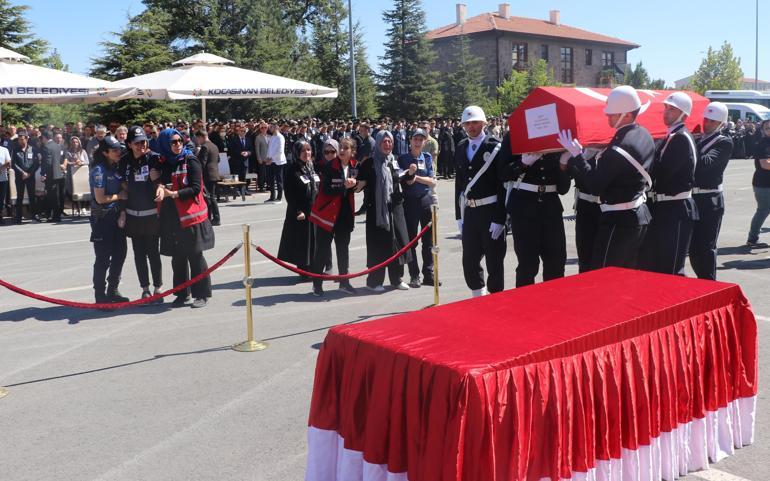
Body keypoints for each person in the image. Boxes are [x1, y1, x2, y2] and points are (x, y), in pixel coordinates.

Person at [558, 85, 656, 270]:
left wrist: (577, 157)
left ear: (626, 115)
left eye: (611, 113)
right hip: (640, 214)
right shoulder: (644, 135)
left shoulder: (619, 148)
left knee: (605, 275)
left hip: (619, 220)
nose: (607, 116)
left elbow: (595, 185)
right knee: (628, 274)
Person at [151, 128, 215, 308]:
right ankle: (181, 293)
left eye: (180, 141)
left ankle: (201, 294)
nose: (178, 145)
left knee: (195, 256)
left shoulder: (191, 160)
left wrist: (175, 193)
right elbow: (162, 182)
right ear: (165, 144)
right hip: (171, 217)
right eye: (173, 142)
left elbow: (196, 188)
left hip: (190, 217)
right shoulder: (164, 162)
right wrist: (158, 186)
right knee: (177, 257)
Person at [638, 92, 698, 276]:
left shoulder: (680, 138)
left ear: (684, 114)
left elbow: (662, 174)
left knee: (672, 266)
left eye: (672, 109)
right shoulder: (670, 137)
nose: (666, 112)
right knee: (658, 263)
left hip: (676, 207)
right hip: (665, 206)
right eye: (666, 108)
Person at [499, 144, 571, 287]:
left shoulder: (558, 138)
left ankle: (553, 307)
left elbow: (563, 189)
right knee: (527, 266)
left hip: (551, 209)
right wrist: (522, 163)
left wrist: (563, 165)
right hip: (523, 209)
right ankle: (525, 307)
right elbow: (503, 173)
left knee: (556, 263)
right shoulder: (514, 135)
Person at [454, 105, 506, 297]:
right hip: (470, 211)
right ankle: (478, 295)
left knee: (494, 259)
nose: (471, 126)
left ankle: (496, 299)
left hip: (491, 210)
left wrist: (501, 218)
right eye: (467, 123)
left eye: (475, 122)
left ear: (484, 123)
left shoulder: (495, 146)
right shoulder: (460, 147)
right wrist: (459, 215)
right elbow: (459, 185)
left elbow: (503, 186)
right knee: (469, 259)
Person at [357, 131, 415, 291]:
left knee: (397, 243)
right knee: (379, 246)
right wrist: (354, 184)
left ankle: (396, 279)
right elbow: (359, 184)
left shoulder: (393, 161)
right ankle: (374, 281)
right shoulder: (369, 163)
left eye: (389, 142)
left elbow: (401, 179)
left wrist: (410, 174)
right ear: (378, 143)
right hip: (377, 211)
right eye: (384, 142)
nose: (387, 145)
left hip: (395, 209)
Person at [309, 138, 359, 296]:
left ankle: (344, 282)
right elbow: (327, 190)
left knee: (343, 250)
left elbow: (359, 185)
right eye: (341, 148)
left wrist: (355, 184)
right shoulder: (330, 166)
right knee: (322, 251)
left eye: (346, 148)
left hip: (344, 214)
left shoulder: (354, 166)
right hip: (327, 214)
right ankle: (317, 284)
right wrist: (345, 185)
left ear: (352, 152)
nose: (342, 151)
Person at [689, 102, 733, 279]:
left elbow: (704, 163)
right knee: (693, 248)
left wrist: (690, 142)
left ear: (721, 124)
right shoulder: (699, 139)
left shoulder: (724, 142)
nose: (707, 123)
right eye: (706, 119)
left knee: (705, 249)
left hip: (710, 200)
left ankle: (709, 284)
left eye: (712, 121)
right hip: (694, 198)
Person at [123, 126, 164, 301]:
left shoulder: (154, 159)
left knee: (153, 253)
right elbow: (121, 183)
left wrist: (160, 185)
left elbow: (163, 181)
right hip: (133, 216)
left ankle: (158, 288)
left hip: (151, 216)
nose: (141, 146)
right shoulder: (124, 161)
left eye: (144, 142)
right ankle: (145, 288)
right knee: (139, 255)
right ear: (129, 144)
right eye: (137, 143)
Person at [89, 136, 129, 304]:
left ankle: (113, 289)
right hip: (103, 218)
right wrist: (119, 195)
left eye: (119, 149)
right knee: (103, 258)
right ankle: (100, 294)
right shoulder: (99, 170)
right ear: (105, 153)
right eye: (114, 150)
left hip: (117, 217)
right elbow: (100, 198)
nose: (118, 152)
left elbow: (126, 188)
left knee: (120, 254)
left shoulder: (116, 168)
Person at [398, 128, 437, 287]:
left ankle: (428, 274)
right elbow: (406, 181)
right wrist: (417, 178)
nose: (418, 142)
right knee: (412, 240)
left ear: (424, 142)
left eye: (421, 140)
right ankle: (414, 275)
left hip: (426, 200)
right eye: (416, 139)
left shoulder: (426, 157)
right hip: (410, 201)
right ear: (410, 141)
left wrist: (416, 177)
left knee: (429, 240)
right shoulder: (403, 159)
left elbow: (432, 181)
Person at [278, 140, 319, 280]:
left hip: (313, 211)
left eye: (308, 150)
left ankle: (313, 268)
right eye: (303, 150)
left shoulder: (311, 167)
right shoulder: (292, 169)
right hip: (300, 212)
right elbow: (289, 193)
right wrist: (298, 211)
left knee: (312, 241)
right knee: (302, 242)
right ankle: (303, 271)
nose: (306, 153)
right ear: (297, 153)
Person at [747, 119, 770, 247]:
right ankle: (752, 238)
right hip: (763, 184)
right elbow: (765, 164)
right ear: (763, 130)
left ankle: (752, 237)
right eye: (767, 128)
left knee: (763, 210)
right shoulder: (764, 144)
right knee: (763, 210)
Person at [10, 129, 39, 223]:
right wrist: (22, 173)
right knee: (20, 197)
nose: (20, 141)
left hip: (30, 176)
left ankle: (33, 216)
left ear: (26, 139)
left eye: (22, 139)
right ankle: (18, 218)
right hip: (20, 177)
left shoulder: (33, 149)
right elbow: (13, 164)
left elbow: (36, 163)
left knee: (32, 196)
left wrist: (29, 173)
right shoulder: (15, 150)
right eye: (19, 139)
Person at [39, 129, 68, 222]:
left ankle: (55, 216)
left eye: (42, 137)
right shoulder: (57, 146)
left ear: (45, 137)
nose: (41, 139)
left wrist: (43, 173)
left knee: (52, 196)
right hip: (58, 173)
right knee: (57, 196)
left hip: (51, 174)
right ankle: (56, 215)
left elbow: (47, 162)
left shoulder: (46, 147)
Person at [194, 130, 221, 226]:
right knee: (211, 197)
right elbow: (218, 159)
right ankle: (213, 218)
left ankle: (214, 218)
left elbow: (202, 163)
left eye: (198, 138)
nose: (197, 141)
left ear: (201, 137)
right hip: (214, 173)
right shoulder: (214, 146)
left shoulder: (205, 147)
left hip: (208, 175)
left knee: (209, 198)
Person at [266, 123, 287, 203]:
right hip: (271, 161)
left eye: (271, 127)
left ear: (276, 127)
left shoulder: (280, 137)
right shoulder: (272, 137)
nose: (269, 128)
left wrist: (272, 158)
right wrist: (268, 157)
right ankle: (272, 196)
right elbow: (269, 149)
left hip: (278, 161)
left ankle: (279, 197)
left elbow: (280, 150)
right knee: (271, 179)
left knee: (279, 179)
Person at [0, 141, 9, 224]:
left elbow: (9, 162)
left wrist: (1, 168)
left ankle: (0, 215)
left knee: (2, 198)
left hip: (3, 178)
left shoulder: (4, 150)